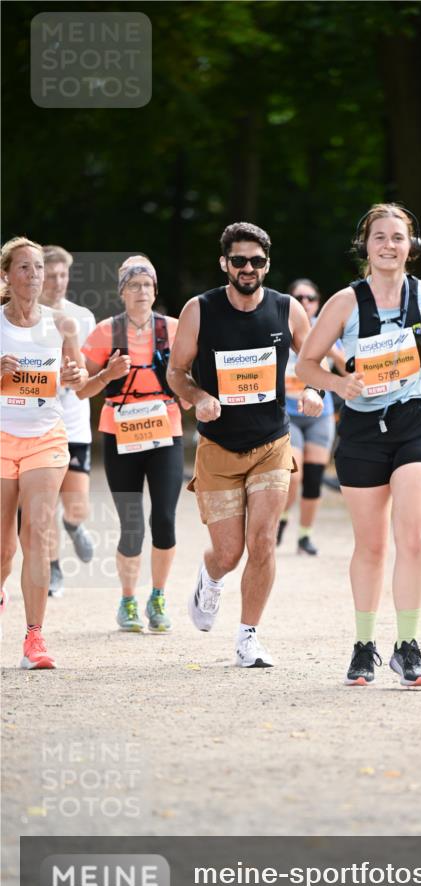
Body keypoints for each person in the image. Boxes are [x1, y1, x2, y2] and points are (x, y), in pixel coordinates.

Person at [296, 203, 421, 688]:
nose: (389, 245)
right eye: (380, 236)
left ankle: (409, 646)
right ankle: (363, 645)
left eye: (398, 236)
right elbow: (306, 366)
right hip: (361, 430)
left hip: (417, 420)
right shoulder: (344, 303)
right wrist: (339, 386)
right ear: (366, 245)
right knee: (371, 545)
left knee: (413, 536)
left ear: (410, 245)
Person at [167, 221, 323, 668]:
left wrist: (316, 391)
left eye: (256, 261)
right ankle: (210, 578)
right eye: (239, 260)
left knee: (263, 541)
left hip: (271, 442)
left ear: (267, 265)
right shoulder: (200, 310)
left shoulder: (288, 309)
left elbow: (312, 363)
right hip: (217, 447)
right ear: (225, 263)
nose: (248, 268)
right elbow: (176, 372)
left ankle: (247, 637)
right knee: (229, 552)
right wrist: (198, 398)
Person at [77, 256, 187, 633]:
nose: (142, 291)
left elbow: (192, 379)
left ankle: (158, 597)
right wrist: (108, 373)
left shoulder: (174, 329)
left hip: (164, 431)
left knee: (166, 520)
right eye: (134, 285)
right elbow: (80, 389)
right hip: (120, 432)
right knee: (132, 524)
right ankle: (127, 599)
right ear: (121, 291)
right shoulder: (104, 333)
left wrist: (190, 398)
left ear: (156, 291)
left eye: (147, 285)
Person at [0, 236, 88, 668]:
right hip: (0, 438)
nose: (34, 275)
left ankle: (34, 638)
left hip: (47, 438)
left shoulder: (61, 324)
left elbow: (76, 376)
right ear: (6, 275)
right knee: (3, 548)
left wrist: (75, 372)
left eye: (38, 267)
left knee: (37, 529)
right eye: (24, 268)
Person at [40, 246, 96, 597]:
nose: (59, 282)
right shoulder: (23, 318)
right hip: (38, 425)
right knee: (41, 505)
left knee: (76, 505)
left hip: (73, 423)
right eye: (52, 275)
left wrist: (76, 371)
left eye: (64, 275)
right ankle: (53, 568)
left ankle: (74, 526)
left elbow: (90, 369)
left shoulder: (83, 317)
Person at [277, 278, 344, 555]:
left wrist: (324, 344)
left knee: (314, 477)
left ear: (318, 301)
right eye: (299, 297)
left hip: (320, 414)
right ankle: (281, 517)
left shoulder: (328, 330)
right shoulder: (280, 328)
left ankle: (305, 536)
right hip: (289, 412)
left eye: (311, 298)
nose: (305, 303)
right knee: (293, 476)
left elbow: (344, 367)